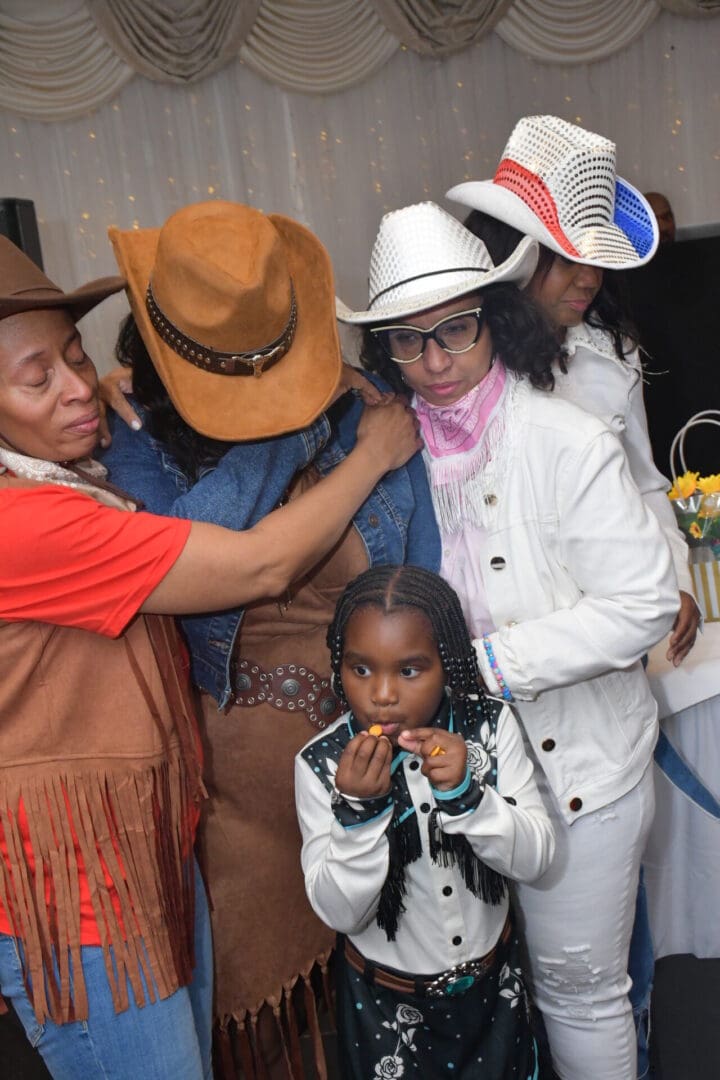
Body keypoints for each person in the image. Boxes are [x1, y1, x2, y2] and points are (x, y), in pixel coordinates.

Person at [0, 235, 421, 1080]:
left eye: (78, 357)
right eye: (36, 377)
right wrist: (368, 448)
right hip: (82, 900)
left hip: (142, 858)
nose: (79, 387)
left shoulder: (65, 474)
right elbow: (261, 563)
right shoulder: (29, 523)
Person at [338, 199, 679, 1080]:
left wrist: (484, 665)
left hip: (581, 773)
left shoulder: (565, 439)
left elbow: (643, 601)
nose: (436, 361)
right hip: (451, 777)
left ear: (496, 320)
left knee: (578, 989)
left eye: (454, 330)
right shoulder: (392, 454)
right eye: (407, 342)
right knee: (490, 988)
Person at [448, 115, 699, 669]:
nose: (590, 278)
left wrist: (674, 577)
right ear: (516, 253)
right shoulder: (462, 365)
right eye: (567, 256)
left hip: (614, 630)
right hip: (508, 639)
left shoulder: (613, 357)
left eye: (597, 258)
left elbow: (644, 480)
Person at [295, 565, 554, 1080]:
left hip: (494, 993)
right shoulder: (321, 764)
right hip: (386, 1011)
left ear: (449, 664)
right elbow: (339, 913)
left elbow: (538, 860)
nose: (383, 694)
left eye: (409, 670)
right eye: (360, 669)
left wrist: (467, 798)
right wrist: (359, 814)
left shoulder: (490, 725)